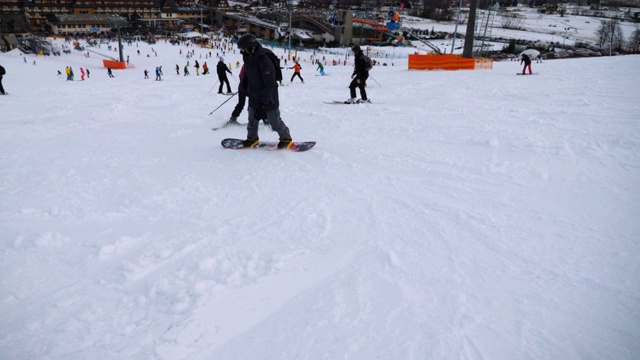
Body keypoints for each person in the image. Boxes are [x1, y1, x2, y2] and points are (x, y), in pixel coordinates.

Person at [236, 34, 292, 149]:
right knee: (252, 119)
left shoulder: (264, 60)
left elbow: (270, 84)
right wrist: (245, 86)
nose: (242, 52)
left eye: (243, 49)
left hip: (269, 96)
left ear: (250, 47)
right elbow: (247, 73)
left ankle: (286, 137)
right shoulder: (247, 56)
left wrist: (263, 104)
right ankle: (252, 138)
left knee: (274, 121)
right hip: (254, 94)